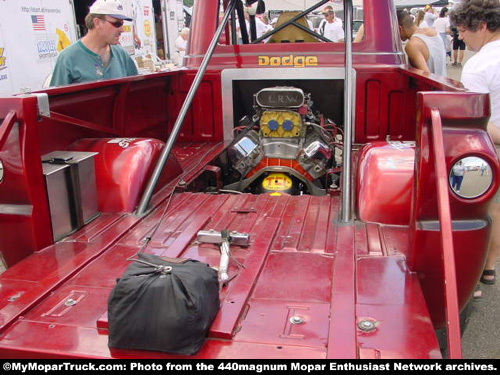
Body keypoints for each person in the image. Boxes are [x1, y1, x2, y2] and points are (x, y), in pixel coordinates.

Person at [450, 0, 500, 285]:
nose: (461, 37)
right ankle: (490, 267)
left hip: (493, 143)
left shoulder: (478, 66)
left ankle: (476, 273)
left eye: (463, 30)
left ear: (481, 26)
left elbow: (476, 123)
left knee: (484, 208)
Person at [50, 0, 138, 86]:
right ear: (97, 22)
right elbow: (56, 99)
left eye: (122, 24)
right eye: (117, 24)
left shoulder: (121, 54)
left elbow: (135, 90)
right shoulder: (68, 58)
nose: (121, 30)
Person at [397, 10, 446, 76]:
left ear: (400, 29)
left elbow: (427, 78)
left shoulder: (412, 45)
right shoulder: (433, 32)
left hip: (432, 86)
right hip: (444, 83)